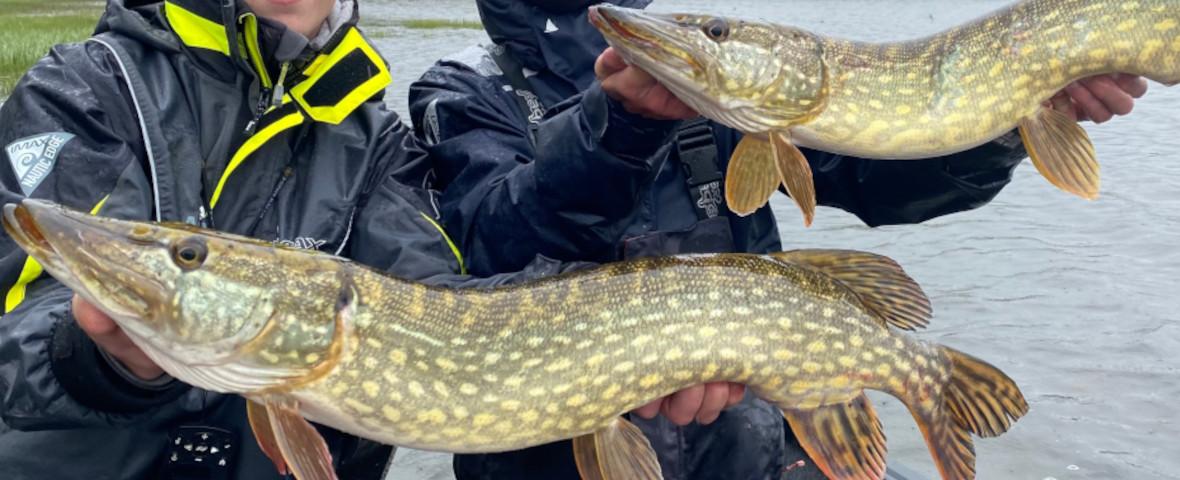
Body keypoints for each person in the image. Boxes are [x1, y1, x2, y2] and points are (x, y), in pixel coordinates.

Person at [408, 0, 1148, 479]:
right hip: (564, 457)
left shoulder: (724, 72)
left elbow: (885, 182)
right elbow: (490, 242)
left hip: (758, 446)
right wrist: (624, 125)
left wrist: (1012, 117)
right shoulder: (462, 90)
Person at [0, 1, 575, 479]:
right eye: (188, 256)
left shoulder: (378, 144)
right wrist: (91, 357)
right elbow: (14, 329)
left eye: (188, 255)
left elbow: (440, 311)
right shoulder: (83, 89)